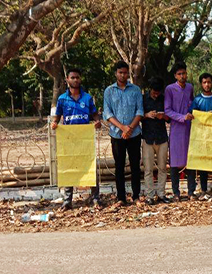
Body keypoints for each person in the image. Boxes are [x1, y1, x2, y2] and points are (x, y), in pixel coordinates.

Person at [51, 68, 102, 210]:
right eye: (72, 77)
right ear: (67, 80)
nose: (75, 80)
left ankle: (95, 197)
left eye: (77, 77)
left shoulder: (87, 98)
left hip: (85, 139)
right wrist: (54, 124)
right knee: (69, 167)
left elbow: (94, 115)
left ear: (80, 79)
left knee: (90, 167)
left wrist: (97, 122)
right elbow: (57, 118)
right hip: (69, 139)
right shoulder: (62, 99)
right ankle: (67, 200)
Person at [103, 61, 144, 207]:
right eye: (120, 72)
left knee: (135, 166)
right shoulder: (109, 91)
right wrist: (122, 128)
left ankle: (136, 196)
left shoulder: (136, 90)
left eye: (125, 73)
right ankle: (121, 197)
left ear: (129, 73)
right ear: (116, 73)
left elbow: (140, 111)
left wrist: (130, 128)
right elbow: (107, 113)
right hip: (116, 134)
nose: (123, 75)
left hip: (134, 134)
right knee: (119, 166)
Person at [164, 62, 197, 202]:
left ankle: (191, 191)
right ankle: (176, 192)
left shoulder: (190, 87)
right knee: (175, 161)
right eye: (179, 74)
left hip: (190, 128)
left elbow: (192, 103)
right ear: (175, 76)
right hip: (177, 129)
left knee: (190, 160)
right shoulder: (169, 89)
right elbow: (167, 110)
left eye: (184, 73)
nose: (182, 76)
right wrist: (182, 117)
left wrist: (191, 113)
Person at [191, 72, 212, 197]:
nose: (207, 84)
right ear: (201, 84)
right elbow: (193, 115)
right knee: (203, 162)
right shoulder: (197, 99)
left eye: (209, 82)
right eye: (204, 82)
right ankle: (203, 189)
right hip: (202, 136)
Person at [141, 77, 170, 204]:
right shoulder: (142, 99)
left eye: (158, 92)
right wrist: (147, 115)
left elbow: (169, 117)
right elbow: (137, 116)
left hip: (162, 137)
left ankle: (162, 194)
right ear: (150, 89)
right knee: (148, 169)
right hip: (147, 138)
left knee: (163, 167)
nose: (156, 94)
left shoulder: (164, 99)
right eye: (154, 92)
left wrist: (162, 116)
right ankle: (150, 195)